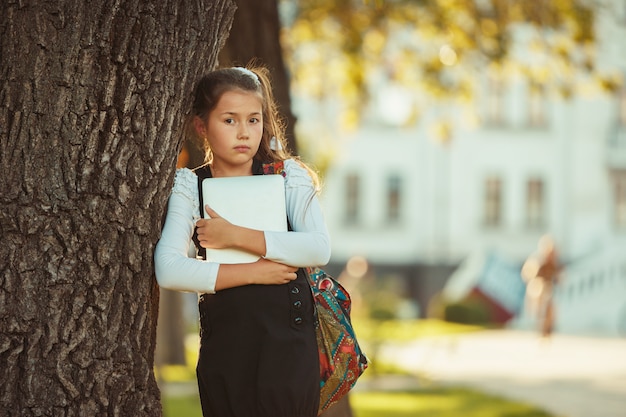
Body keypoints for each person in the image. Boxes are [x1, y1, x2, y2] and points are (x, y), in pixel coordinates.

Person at [154, 65, 331, 417]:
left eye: (254, 120)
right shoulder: (190, 185)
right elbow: (170, 270)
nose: (244, 132)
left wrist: (235, 235)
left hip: (289, 346)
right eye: (229, 120)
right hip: (226, 346)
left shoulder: (287, 175)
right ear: (202, 126)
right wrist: (256, 272)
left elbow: (317, 248)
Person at [521, 235, 563, 338]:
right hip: (536, 285)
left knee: (551, 304)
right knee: (539, 296)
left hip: (548, 287)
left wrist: (559, 279)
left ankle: (549, 325)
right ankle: (539, 323)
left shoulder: (554, 263)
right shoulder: (537, 260)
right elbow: (526, 273)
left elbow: (558, 277)